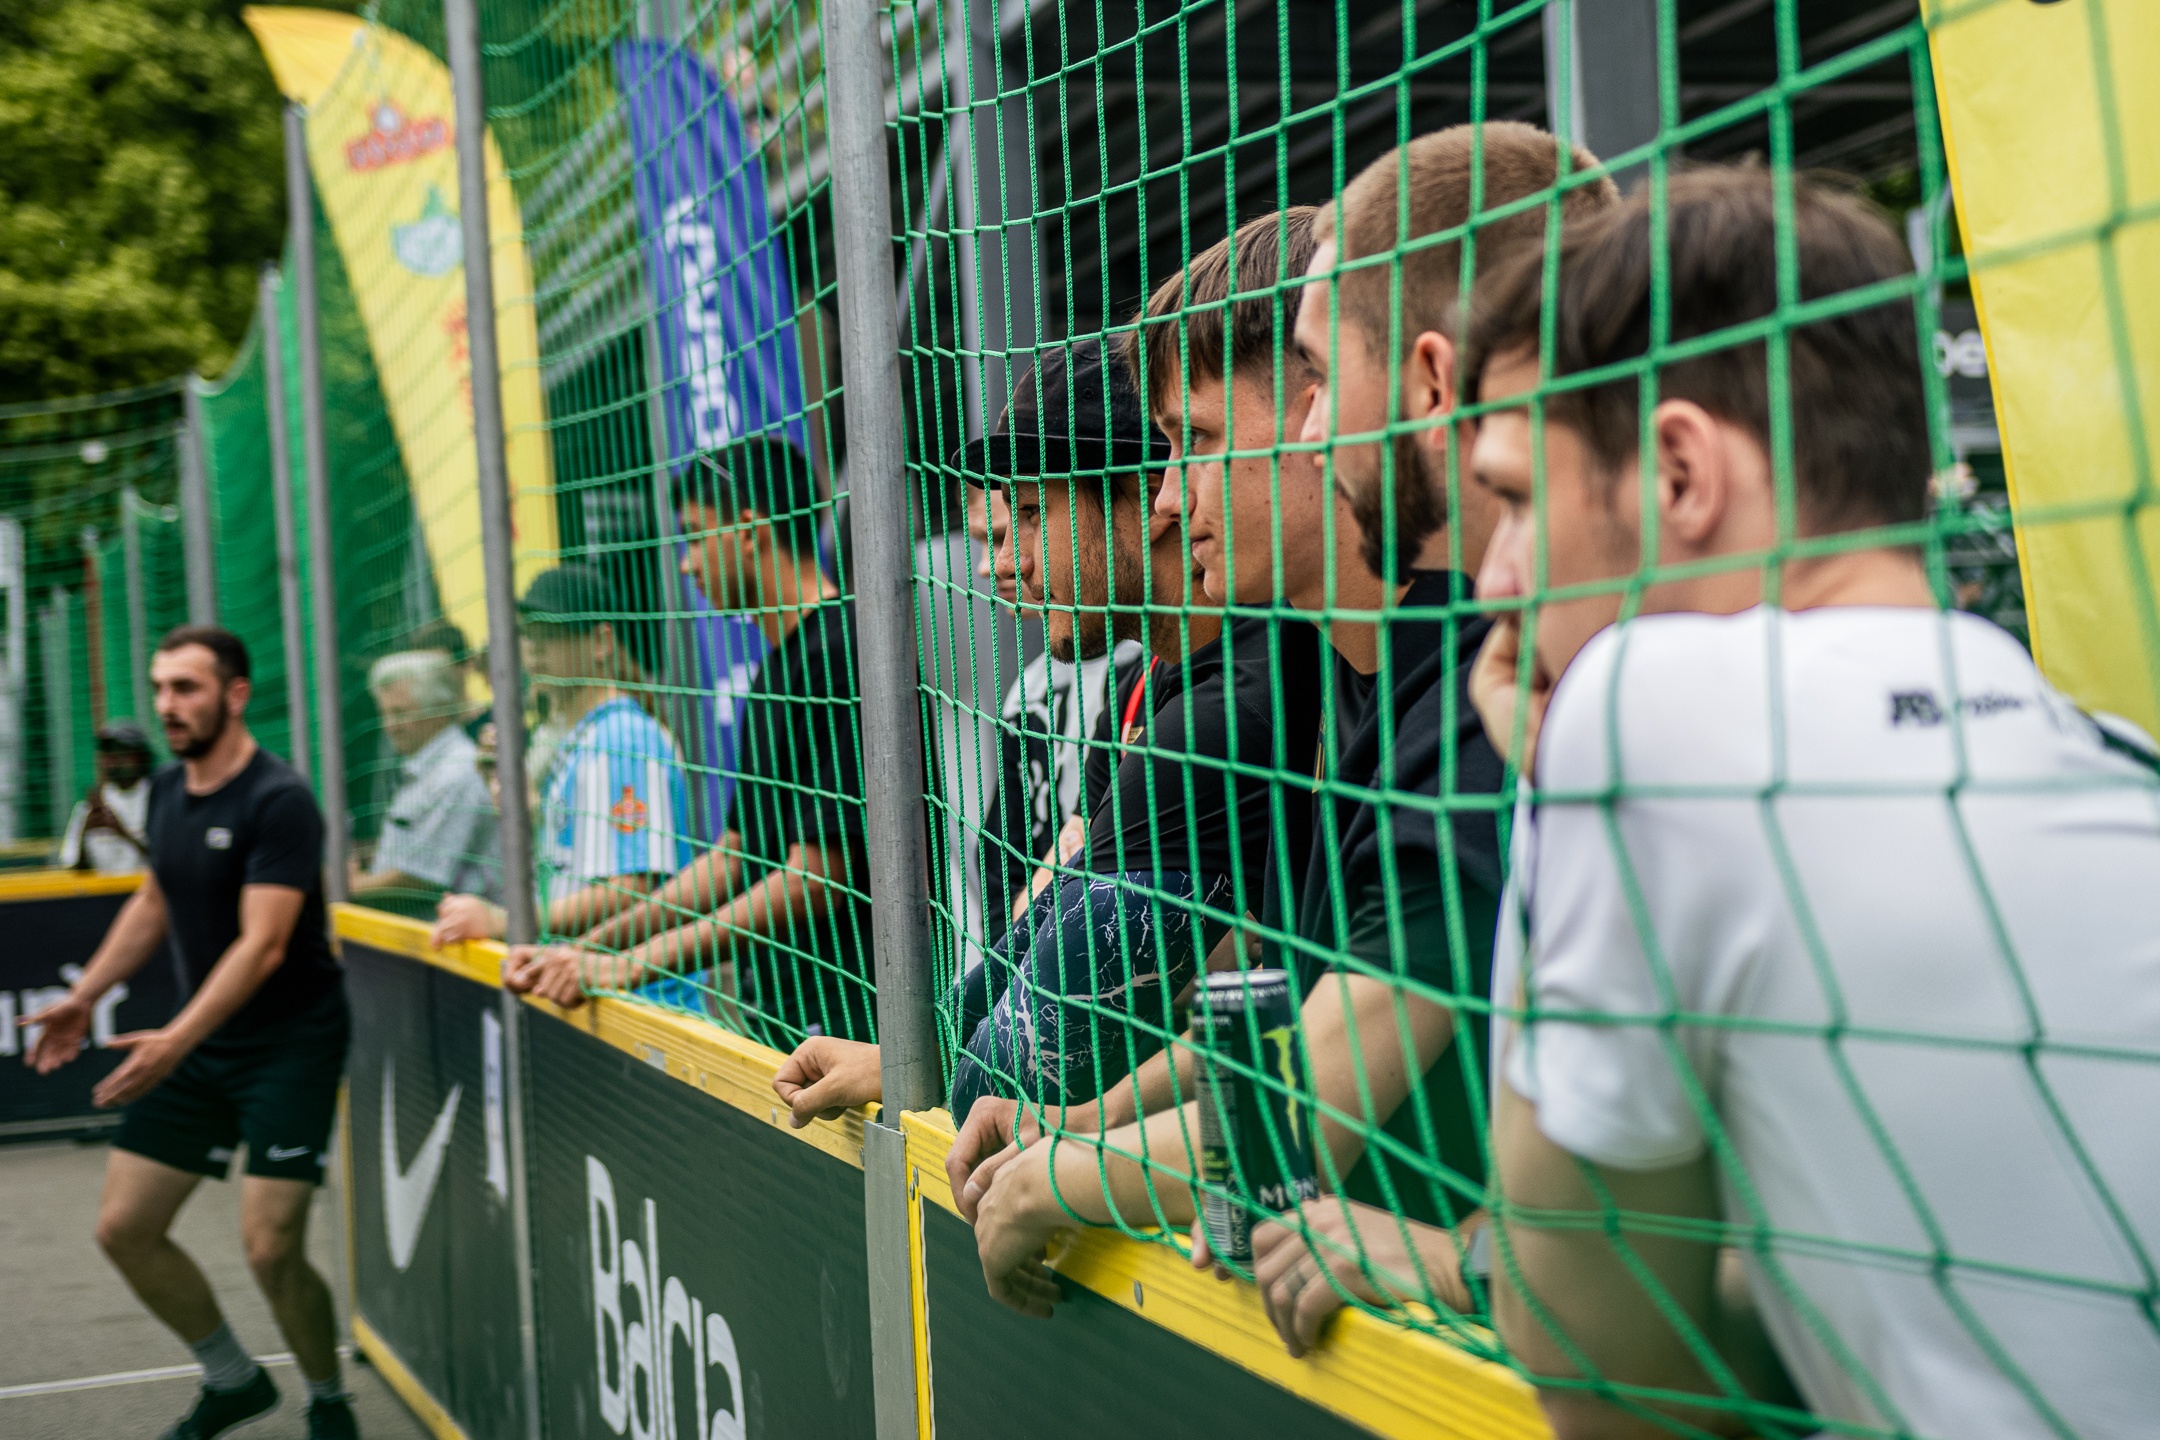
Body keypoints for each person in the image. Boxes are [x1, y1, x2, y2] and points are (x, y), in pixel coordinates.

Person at [1465, 167, 2160, 1439]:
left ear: (1679, 471)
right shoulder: (2110, 750)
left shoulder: (1648, 710)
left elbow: (1598, 1367)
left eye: (1514, 499)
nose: (1493, 578)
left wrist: (1554, 783)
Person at [954, 125, 1619, 1341]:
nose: (1169, 498)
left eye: (1195, 440)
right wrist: (1074, 1129)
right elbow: (1291, 1014)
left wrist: (1055, 1173)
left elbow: (1310, 1098)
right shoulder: (1326, 675)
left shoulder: (1491, 689)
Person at [21, 625, 357, 1439]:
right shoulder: (169, 790)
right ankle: (233, 1380)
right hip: (205, 1044)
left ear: (235, 695)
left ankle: (328, 1402)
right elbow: (155, 900)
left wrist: (174, 1038)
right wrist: (84, 995)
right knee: (124, 1229)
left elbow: (264, 944)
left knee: (270, 1249)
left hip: (290, 1046)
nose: (167, 705)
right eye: (160, 688)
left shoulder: (278, 799)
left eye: (187, 688)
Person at [507, 437, 878, 1048]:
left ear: (750, 531)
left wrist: (632, 964)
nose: (686, 564)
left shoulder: (837, 653)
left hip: (851, 1020)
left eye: (695, 537)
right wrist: (590, 949)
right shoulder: (777, 667)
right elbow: (733, 855)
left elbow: (815, 876)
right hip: (788, 1011)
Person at [431, 563, 695, 947]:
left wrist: (504, 921)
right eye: (529, 632)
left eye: (553, 632)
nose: (535, 647)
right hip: (587, 973)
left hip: (633, 981)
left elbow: (631, 891)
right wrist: (516, 801)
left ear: (601, 641)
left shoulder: (624, 738)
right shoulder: (582, 735)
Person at [350, 649, 499, 911]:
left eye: (400, 713)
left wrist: (350, 887)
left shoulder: (456, 772)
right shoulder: (426, 768)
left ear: (438, 710)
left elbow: (422, 877)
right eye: (385, 714)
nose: (389, 726)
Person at [59, 719, 155, 874]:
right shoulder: (88, 808)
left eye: (122, 752)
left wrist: (122, 832)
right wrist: (84, 834)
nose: (114, 760)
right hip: (104, 889)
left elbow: (172, 861)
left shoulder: (160, 798)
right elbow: (73, 869)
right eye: (108, 752)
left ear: (141, 757)